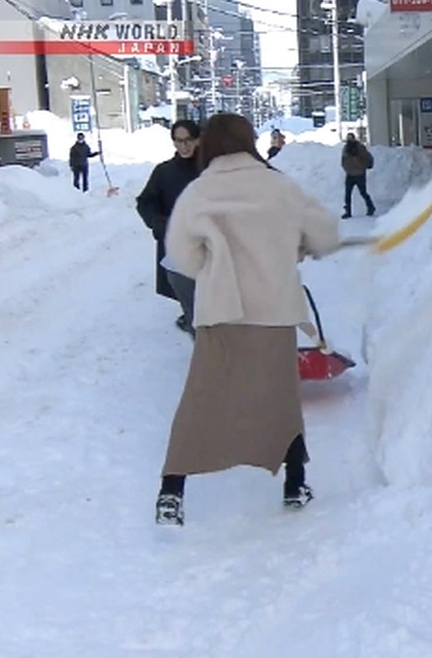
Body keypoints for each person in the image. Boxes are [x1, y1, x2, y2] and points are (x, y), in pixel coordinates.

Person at [154, 113, 342, 526]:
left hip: (221, 310)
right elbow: (325, 233)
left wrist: (215, 263)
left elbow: (181, 256)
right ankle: (295, 483)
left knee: (202, 398)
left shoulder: (200, 192)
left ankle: (171, 491)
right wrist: (296, 245)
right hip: (273, 311)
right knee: (280, 398)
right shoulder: (279, 187)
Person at [135, 120, 202, 336]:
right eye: (179, 141)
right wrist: (157, 222)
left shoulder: (211, 169)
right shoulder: (164, 172)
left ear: (198, 139)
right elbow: (145, 201)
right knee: (189, 296)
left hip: (210, 244)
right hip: (177, 246)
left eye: (189, 140)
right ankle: (203, 350)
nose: (184, 146)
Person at [340, 132, 376, 219]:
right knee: (348, 194)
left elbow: (368, 157)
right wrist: (346, 167)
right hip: (350, 174)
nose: (349, 140)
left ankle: (371, 207)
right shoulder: (346, 148)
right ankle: (348, 211)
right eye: (348, 138)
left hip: (359, 174)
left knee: (363, 192)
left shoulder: (360, 147)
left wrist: (365, 166)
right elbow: (343, 160)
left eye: (350, 138)